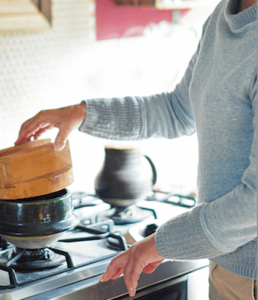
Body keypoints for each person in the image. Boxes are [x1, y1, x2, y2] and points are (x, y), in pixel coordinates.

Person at [15, 0, 257, 298]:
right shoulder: (222, 16)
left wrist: (159, 244)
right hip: (227, 264)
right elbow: (177, 110)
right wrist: (83, 113)